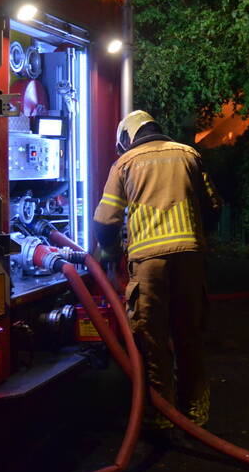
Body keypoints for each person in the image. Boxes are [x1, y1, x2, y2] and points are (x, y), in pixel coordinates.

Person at [93, 110, 221, 429]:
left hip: (149, 263)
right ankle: (195, 413)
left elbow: (105, 221)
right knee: (188, 334)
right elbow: (213, 206)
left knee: (153, 339)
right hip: (190, 258)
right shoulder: (189, 154)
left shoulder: (124, 164)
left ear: (127, 138)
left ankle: (162, 415)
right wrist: (197, 236)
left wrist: (109, 252)